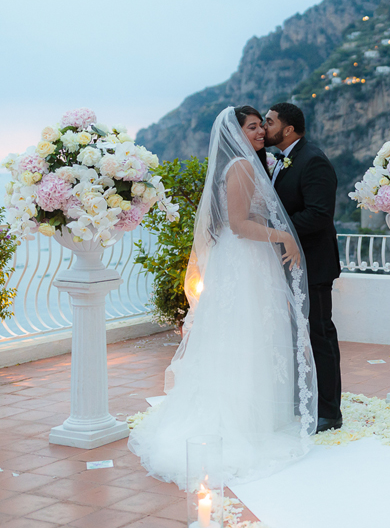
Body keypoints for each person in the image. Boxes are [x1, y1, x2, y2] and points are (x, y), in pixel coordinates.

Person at [128, 105, 317, 489]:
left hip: (240, 261)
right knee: (248, 335)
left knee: (239, 336)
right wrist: (284, 236)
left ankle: (251, 413)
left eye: (261, 127)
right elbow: (241, 225)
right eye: (252, 128)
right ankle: (244, 421)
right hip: (245, 260)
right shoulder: (243, 167)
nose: (260, 133)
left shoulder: (237, 165)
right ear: (236, 133)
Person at [263, 103, 343, 433]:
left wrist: (275, 228)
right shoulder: (282, 160)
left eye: (269, 122)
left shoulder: (313, 161)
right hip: (291, 263)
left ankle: (329, 412)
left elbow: (319, 214)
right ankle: (305, 398)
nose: (265, 127)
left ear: (289, 130)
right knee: (298, 336)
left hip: (314, 265)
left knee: (320, 335)